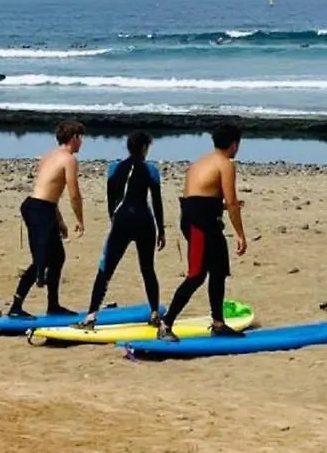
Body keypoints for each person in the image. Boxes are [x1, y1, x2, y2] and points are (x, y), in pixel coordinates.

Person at [157, 124, 247, 342]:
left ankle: (218, 323)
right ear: (234, 144)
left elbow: (201, 196)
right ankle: (165, 325)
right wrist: (240, 234)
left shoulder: (201, 161)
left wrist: (221, 208)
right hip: (200, 223)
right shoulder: (225, 164)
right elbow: (231, 201)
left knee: (218, 271)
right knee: (196, 275)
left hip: (201, 218)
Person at [74, 131, 166, 330]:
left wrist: (114, 220)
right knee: (147, 268)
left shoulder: (114, 168)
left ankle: (90, 316)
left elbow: (111, 199)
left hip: (122, 220)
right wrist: (162, 231)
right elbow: (157, 203)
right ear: (144, 148)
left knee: (106, 268)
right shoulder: (151, 170)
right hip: (144, 221)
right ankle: (154, 313)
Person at [6, 120, 87, 319]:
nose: (82, 142)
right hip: (39, 210)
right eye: (81, 138)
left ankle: (53, 305)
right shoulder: (69, 159)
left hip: (42, 208)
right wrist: (80, 220)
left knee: (57, 257)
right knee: (40, 261)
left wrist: (58, 219)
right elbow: (73, 193)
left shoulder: (48, 156)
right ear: (74, 137)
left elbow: (50, 191)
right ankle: (15, 307)